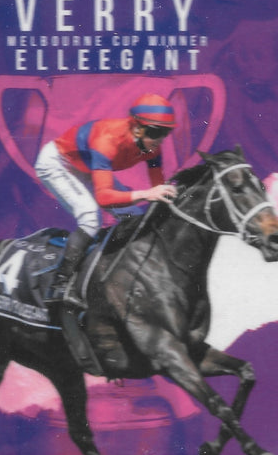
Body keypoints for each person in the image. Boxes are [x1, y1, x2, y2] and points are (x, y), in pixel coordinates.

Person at [34, 93, 178, 303]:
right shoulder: (108, 141)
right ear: (136, 128)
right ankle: (59, 286)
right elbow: (104, 198)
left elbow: (159, 189)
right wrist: (146, 194)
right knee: (90, 217)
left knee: (133, 218)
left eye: (166, 132)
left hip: (86, 166)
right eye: (156, 132)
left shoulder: (151, 147)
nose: (160, 140)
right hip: (58, 163)